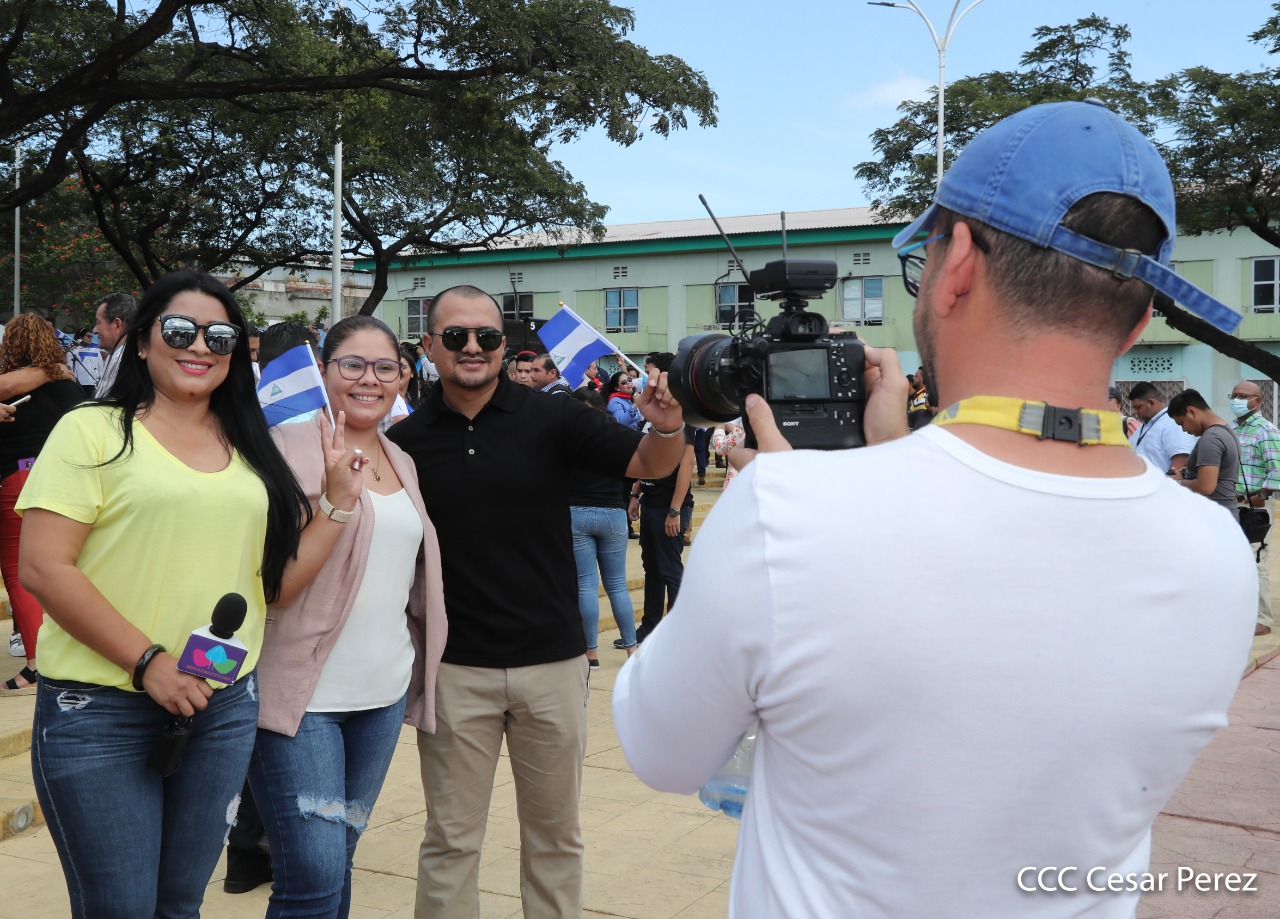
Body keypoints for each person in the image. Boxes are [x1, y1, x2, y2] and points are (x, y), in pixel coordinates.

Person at [612, 101, 1257, 918]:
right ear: (1134, 324)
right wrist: (881, 460)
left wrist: (777, 506)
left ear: (957, 266)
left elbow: (661, 751)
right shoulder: (1216, 552)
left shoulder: (787, 514)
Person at [385, 284, 685, 919]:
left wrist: (667, 426)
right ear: (429, 346)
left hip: (552, 664)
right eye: (456, 336)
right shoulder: (405, 442)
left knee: (555, 838)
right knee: (450, 841)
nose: (473, 347)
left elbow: (648, 463)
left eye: (487, 336)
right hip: (453, 670)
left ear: (504, 346)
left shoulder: (554, 417)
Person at [16, 270, 309, 918]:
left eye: (220, 335)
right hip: (100, 708)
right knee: (121, 907)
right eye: (180, 330)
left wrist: (338, 509)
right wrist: (149, 662)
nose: (200, 345)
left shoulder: (251, 446)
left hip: (220, 701)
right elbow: (42, 566)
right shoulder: (92, 430)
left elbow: (272, 583)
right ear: (144, 341)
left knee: (179, 904)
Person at [250, 315, 447, 919]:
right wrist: (333, 503)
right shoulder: (282, 448)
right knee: (311, 873)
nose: (370, 379)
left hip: (381, 694)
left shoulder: (400, 457)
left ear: (403, 377)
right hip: (301, 699)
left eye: (385, 367)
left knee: (339, 860)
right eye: (353, 365)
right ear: (323, 370)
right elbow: (269, 582)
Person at [0, 316, 86, 693]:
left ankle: (37, 664)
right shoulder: (68, 386)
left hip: (18, 480)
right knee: (66, 568)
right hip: (66, 481)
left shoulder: (7, 388)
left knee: (18, 571)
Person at [569, 388, 639, 667]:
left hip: (577, 511)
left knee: (586, 584)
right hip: (613, 511)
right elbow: (632, 473)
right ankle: (632, 649)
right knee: (618, 585)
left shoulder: (568, 438)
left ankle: (591, 653)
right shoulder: (615, 437)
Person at [1229, 379, 1280, 636]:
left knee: (1255, 560)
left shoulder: (1266, 430)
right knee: (1236, 561)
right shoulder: (1233, 430)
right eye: (1234, 395)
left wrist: (1262, 494)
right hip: (1233, 504)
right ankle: (1241, 614)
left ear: (1257, 401)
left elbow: (1277, 469)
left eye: (1243, 396)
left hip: (1255, 506)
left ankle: (1263, 619)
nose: (1237, 400)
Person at [1167, 389, 1241, 516]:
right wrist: (1190, 472)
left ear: (1192, 411)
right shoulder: (1225, 430)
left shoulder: (1211, 438)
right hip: (1222, 514)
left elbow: (1205, 486)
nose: (1184, 430)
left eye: (1182, 423)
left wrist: (1177, 482)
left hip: (1215, 516)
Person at [1128, 381, 1196, 473]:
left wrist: (1169, 481)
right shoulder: (1146, 426)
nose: (1135, 412)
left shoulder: (1172, 423)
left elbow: (1181, 459)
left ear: (1151, 403)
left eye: (1138, 407)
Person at [91, 291, 138, 398]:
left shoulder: (128, 362)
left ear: (117, 325)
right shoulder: (119, 356)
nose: (94, 330)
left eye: (98, 323)